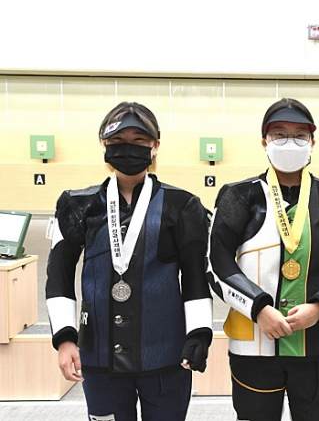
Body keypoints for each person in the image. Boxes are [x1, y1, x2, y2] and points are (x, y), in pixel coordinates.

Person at [46, 101, 213, 421]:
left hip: (165, 355)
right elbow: (59, 275)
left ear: (155, 145)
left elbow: (195, 275)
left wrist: (199, 333)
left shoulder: (183, 205)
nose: (128, 147)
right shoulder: (76, 204)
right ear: (104, 144)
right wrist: (65, 339)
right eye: (118, 140)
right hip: (98, 355)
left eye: (139, 140)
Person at [208, 98, 319, 421]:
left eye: (300, 135)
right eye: (279, 134)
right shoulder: (238, 196)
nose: (289, 142)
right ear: (264, 141)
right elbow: (217, 261)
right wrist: (259, 308)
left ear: (312, 142)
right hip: (255, 341)